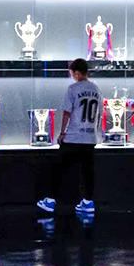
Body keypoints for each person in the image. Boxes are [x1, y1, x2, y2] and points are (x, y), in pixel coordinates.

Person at [37, 58, 101, 215]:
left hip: (73, 136)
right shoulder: (96, 89)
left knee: (58, 169)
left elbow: (67, 112)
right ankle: (88, 202)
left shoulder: (73, 89)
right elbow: (99, 113)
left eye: (72, 73)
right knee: (88, 171)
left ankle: (51, 200)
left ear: (77, 73)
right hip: (89, 137)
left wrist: (62, 132)